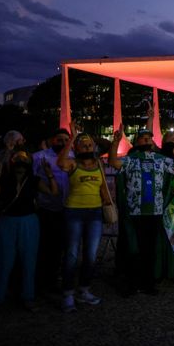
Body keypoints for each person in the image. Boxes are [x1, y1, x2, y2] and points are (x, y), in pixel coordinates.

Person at [109, 125, 174, 295]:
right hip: (135, 211)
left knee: (150, 248)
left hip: (154, 211)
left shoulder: (161, 159)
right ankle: (133, 282)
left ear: (153, 141)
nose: (146, 139)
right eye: (143, 137)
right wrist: (115, 143)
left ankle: (148, 283)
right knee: (134, 248)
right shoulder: (131, 159)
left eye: (148, 137)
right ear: (137, 141)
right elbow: (113, 162)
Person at [0, 151, 58, 315]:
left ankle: (28, 296)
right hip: (8, 221)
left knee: (29, 260)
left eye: (24, 159)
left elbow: (53, 193)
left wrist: (50, 175)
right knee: (3, 261)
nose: (21, 162)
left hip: (28, 221)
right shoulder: (4, 180)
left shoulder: (33, 181)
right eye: (18, 159)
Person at [56, 131, 114, 312]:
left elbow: (104, 187)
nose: (88, 147)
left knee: (90, 255)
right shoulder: (73, 164)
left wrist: (108, 207)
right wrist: (73, 138)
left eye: (90, 145)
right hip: (74, 212)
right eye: (84, 145)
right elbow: (60, 162)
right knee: (72, 254)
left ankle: (84, 289)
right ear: (76, 148)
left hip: (95, 213)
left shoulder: (99, 164)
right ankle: (67, 294)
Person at [31, 128, 71, 293]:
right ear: (52, 140)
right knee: (45, 244)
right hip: (46, 207)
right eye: (59, 139)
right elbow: (32, 180)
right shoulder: (39, 157)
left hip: (67, 207)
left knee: (63, 245)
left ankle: (57, 277)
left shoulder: (73, 157)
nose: (62, 143)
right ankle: (42, 279)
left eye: (65, 140)